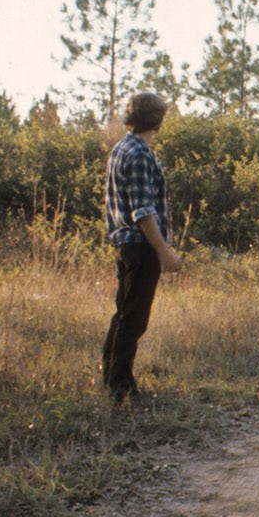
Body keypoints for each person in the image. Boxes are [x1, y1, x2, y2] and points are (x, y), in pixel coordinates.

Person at [101, 92, 182, 403]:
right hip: (139, 246)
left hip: (124, 244)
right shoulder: (138, 154)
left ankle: (110, 377)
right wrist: (165, 251)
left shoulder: (121, 148)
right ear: (158, 119)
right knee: (134, 319)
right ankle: (120, 387)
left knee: (123, 314)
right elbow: (143, 212)